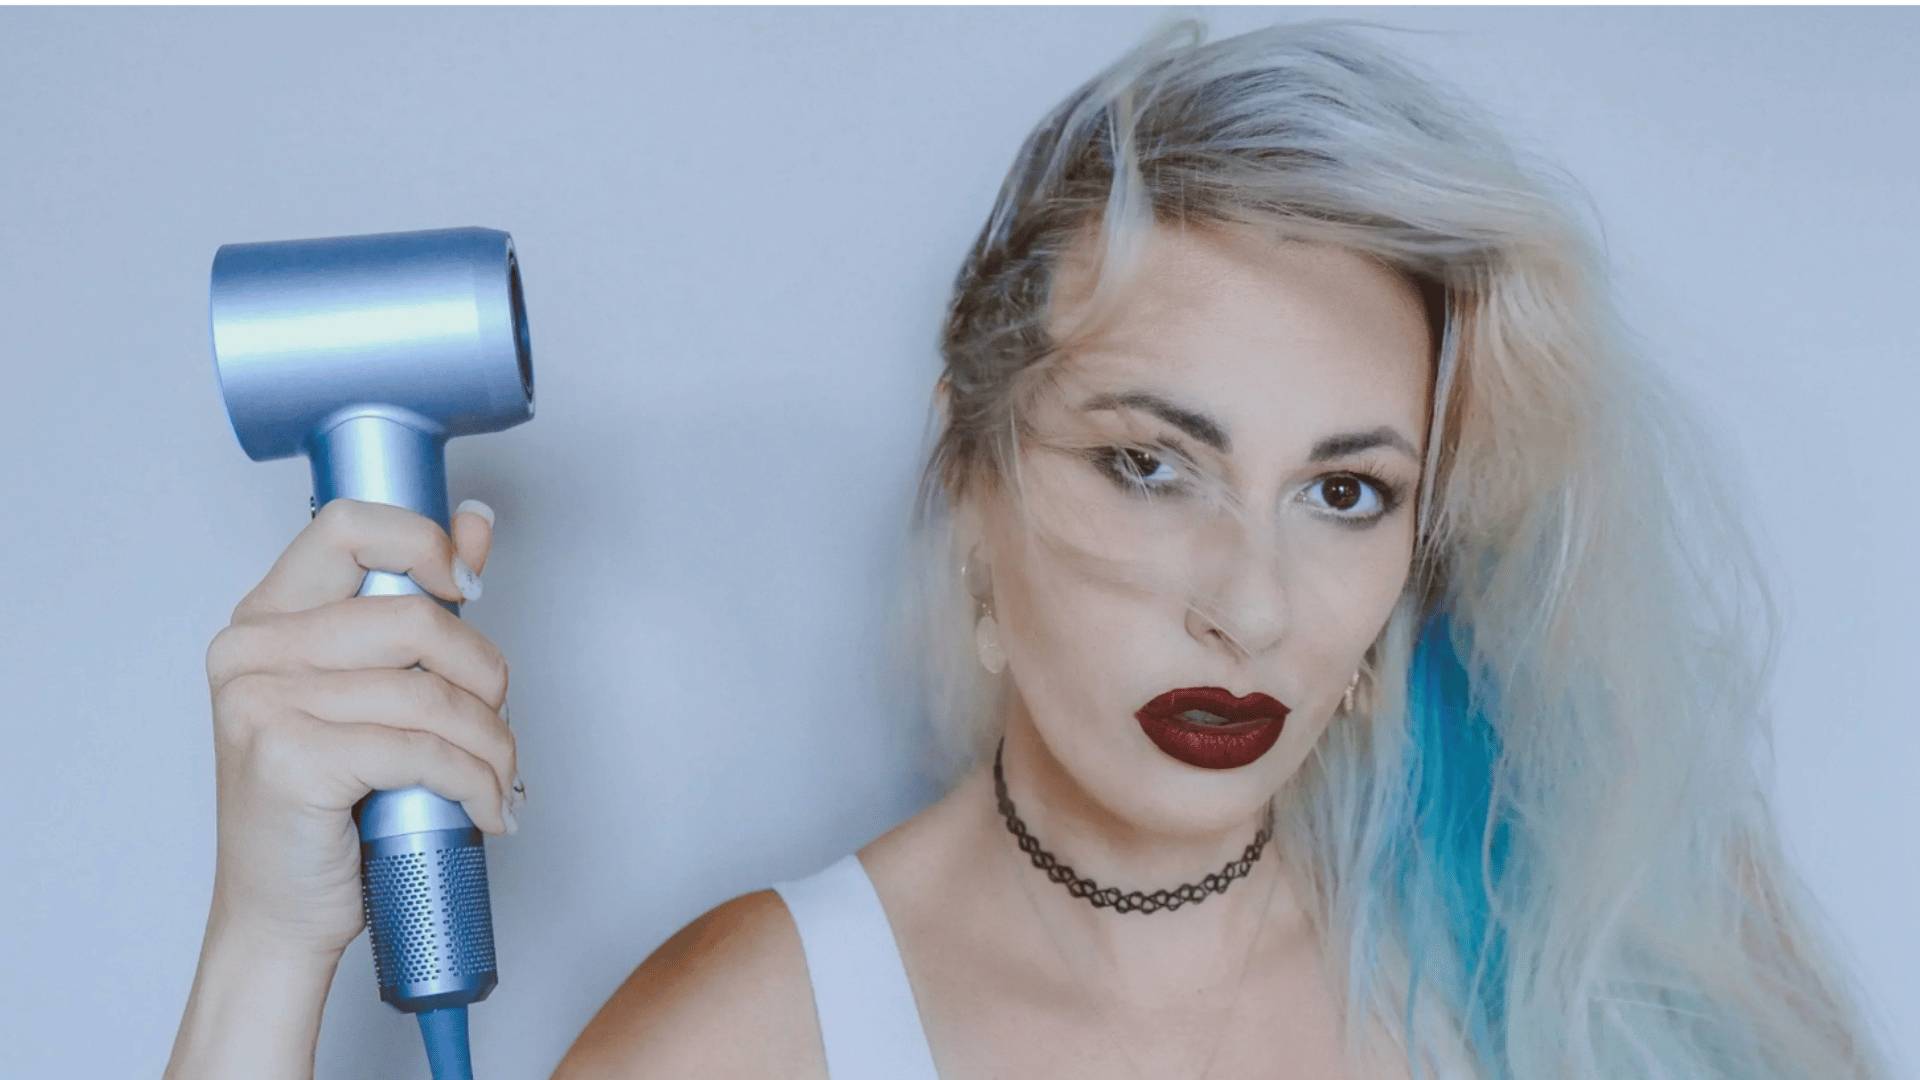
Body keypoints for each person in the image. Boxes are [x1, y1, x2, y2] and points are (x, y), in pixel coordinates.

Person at [167, 17, 1896, 1080]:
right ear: (972, 470)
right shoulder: (753, 1045)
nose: (1250, 604)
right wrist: (266, 947)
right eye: (1153, 463)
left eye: (1346, 493)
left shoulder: (1599, 964)